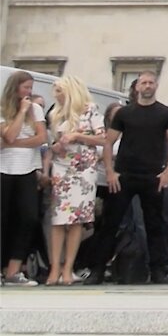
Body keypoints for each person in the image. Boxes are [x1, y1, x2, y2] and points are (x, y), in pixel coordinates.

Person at [85, 71, 168, 285]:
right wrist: (110, 171)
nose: (147, 86)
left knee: (156, 225)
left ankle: (158, 270)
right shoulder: (124, 113)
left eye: (151, 83)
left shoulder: (165, 113)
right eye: (143, 83)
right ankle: (97, 269)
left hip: (153, 175)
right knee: (110, 223)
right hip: (124, 175)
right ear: (137, 87)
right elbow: (108, 142)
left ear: (156, 86)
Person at [43, 76, 106, 286]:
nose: (57, 95)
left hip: (84, 169)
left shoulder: (89, 110)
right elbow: (51, 142)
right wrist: (56, 146)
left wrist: (78, 137)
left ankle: (68, 268)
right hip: (61, 167)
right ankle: (55, 268)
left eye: (60, 91)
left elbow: (102, 138)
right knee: (58, 219)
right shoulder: (55, 113)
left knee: (77, 219)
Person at [1, 71, 47, 286]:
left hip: (27, 169)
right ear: (15, 87)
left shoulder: (36, 109)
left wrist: (15, 142)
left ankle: (14, 270)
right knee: (3, 219)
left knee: (28, 218)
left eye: (31, 87)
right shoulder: (3, 109)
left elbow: (41, 137)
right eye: (25, 87)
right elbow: (8, 135)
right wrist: (21, 112)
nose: (29, 92)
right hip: (4, 169)